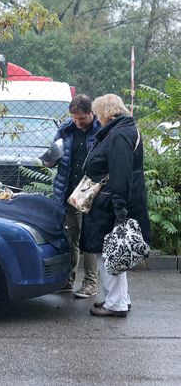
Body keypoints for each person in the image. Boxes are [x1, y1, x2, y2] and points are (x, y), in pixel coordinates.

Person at [81, 94, 150, 317]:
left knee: (108, 253)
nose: (96, 118)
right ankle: (120, 299)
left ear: (105, 112)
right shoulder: (125, 129)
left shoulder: (119, 135)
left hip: (111, 203)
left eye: (97, 113)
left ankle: (115, 304)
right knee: (116, 252)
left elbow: (120, 174)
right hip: (116, 200)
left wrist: (120, 209)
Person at [45, 94, 101, 298]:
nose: (78, 123)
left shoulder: (100, 131)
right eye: (75, 119)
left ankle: (90, 283)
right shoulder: (66, 129)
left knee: (89, 238)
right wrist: (49, 160)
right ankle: (68, 280)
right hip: (67, 189)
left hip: (90, 190)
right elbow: (53, 154)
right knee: (71, 237)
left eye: (82, 119)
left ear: (91, 113)